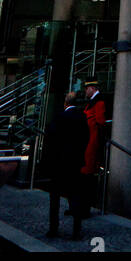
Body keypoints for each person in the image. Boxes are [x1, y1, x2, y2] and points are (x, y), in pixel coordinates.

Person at [41, 91, 89, 240]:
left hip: (58, 164)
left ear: (65, 103)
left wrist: (48, 162)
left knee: (55, 198)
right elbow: (86, 138)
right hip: (74, 164)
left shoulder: (59, 117)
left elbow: (50, 141)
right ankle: (76, 230)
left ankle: (53, 228)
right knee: (75, 196)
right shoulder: (82, 117)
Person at [81, 79, 108, 214]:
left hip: (92, 144)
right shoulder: (93, 102)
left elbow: (100, 123)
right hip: (88, 143)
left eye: (87, 88)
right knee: (85, 176)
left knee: (88, 176)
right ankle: (82, 206)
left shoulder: (99, 102)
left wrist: (99, 144)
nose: (85, 91)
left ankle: (86, 208)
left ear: (92, 88)